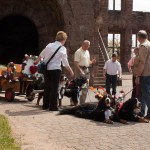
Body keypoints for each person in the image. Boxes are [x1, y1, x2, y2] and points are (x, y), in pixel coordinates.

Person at [35, 31, 74, 111]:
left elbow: (41, 55)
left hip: (47, 69)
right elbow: (65, 63)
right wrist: (71, 71)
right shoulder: (62, 49)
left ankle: (45, 105)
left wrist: (36, 61)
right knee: (54, 88)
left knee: (47, 87)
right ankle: (53, 107)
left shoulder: (49, 45)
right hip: (55, 69)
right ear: (64, 39)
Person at [74, 40, 96, 104]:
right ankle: (74, 101)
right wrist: (80, 70)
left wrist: (92, 62)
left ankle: (82, 103)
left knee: (85, 87)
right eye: (86, 46)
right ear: (82, 44)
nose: (87, 47)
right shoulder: (78, 52)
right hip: (79, 69)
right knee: (78, 86)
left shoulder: (87, 52)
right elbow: (76, 62)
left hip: (86, 70)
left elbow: (88, 62)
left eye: (88, 46)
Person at [135, 30, 150, 119]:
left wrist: (138, 76)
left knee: (146, 94)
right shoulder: (149, 43)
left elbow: (142, 62)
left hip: (145, 73)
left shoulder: (144, 46)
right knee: (142, 94)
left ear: (139, 38)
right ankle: (141, 112)